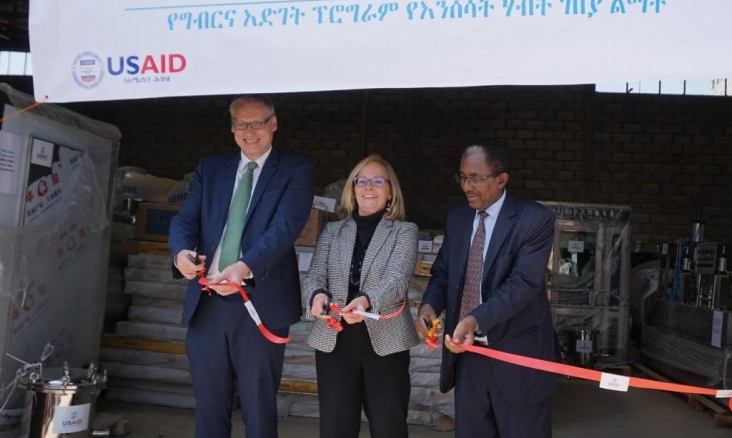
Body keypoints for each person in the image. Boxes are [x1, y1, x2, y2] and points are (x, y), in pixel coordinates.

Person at [168, 95, 313, 438]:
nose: (250, 132)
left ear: (273, 124)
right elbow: (185, 220)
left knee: (258, 407)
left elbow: (285, 228)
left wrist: (245, 266)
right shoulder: (210, 168)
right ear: (232, 128)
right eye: (241, 125)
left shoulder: (295, 169)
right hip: (207, 303)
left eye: (258, 123)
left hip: (260, 301)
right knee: (209, 406)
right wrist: (180, 254)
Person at [415, 139, 558, 438]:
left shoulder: (534, 219)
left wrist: (474, 319)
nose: (467, 186)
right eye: (463, 177)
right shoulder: (458, 218)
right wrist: (429, 304)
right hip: (468, 355)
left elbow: (523, 283)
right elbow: (443, 272)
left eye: (476, 179)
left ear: (501, 179)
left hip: (517, 355)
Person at [303, 154, 419, 438]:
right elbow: (316, 275)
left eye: (378, 181)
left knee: (389, 428)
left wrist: (365, 300)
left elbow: (397, 281)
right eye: (362, 180)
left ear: (391, 190)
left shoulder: (404, 232)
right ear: (352, 189)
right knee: (335, 429)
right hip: (335, 345)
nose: (369, 187)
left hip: (385, 345)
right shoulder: (333, 231)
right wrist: (317, 295)